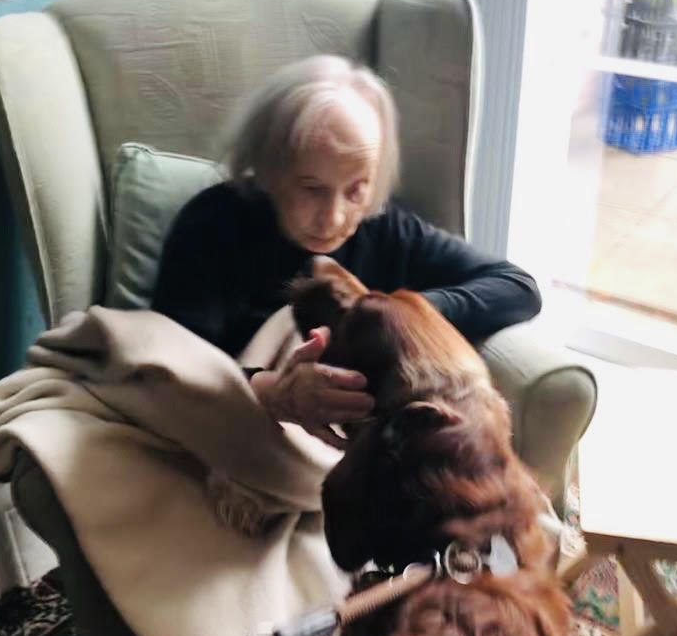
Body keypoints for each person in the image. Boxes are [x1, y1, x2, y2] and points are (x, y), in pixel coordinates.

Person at [152, 55, 541, 449]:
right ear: (269, 170)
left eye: (356, 189)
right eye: (311, 188)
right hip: (226, 427)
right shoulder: (213, 223)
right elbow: (170, 365)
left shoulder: (387, 229)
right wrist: (275, 391)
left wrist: (397, 316)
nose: (333, 217)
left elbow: (517, 287)